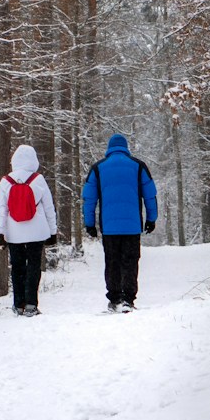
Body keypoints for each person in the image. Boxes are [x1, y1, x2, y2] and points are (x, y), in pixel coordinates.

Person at [80, 133, 158, 313]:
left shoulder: (98, 168)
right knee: (130, 261)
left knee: (112, 261)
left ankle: (114, 299)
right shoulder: (138, 166)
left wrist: (89, 224)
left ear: (109, 148)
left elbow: (89, 199)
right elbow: (150, 195)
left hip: (109, 227)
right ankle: (128, 299)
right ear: (126, 147)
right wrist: (151, 219)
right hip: (132, 227)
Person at [0, 143, 58, 317]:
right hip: (37, 232)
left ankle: (18, 304)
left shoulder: (5, 182)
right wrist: (53, 232)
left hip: (14, 233)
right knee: (34, 267)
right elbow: (49, 208)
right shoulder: (38, 179)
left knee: (17, 267)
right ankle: (31, 304)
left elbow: (1, 209)